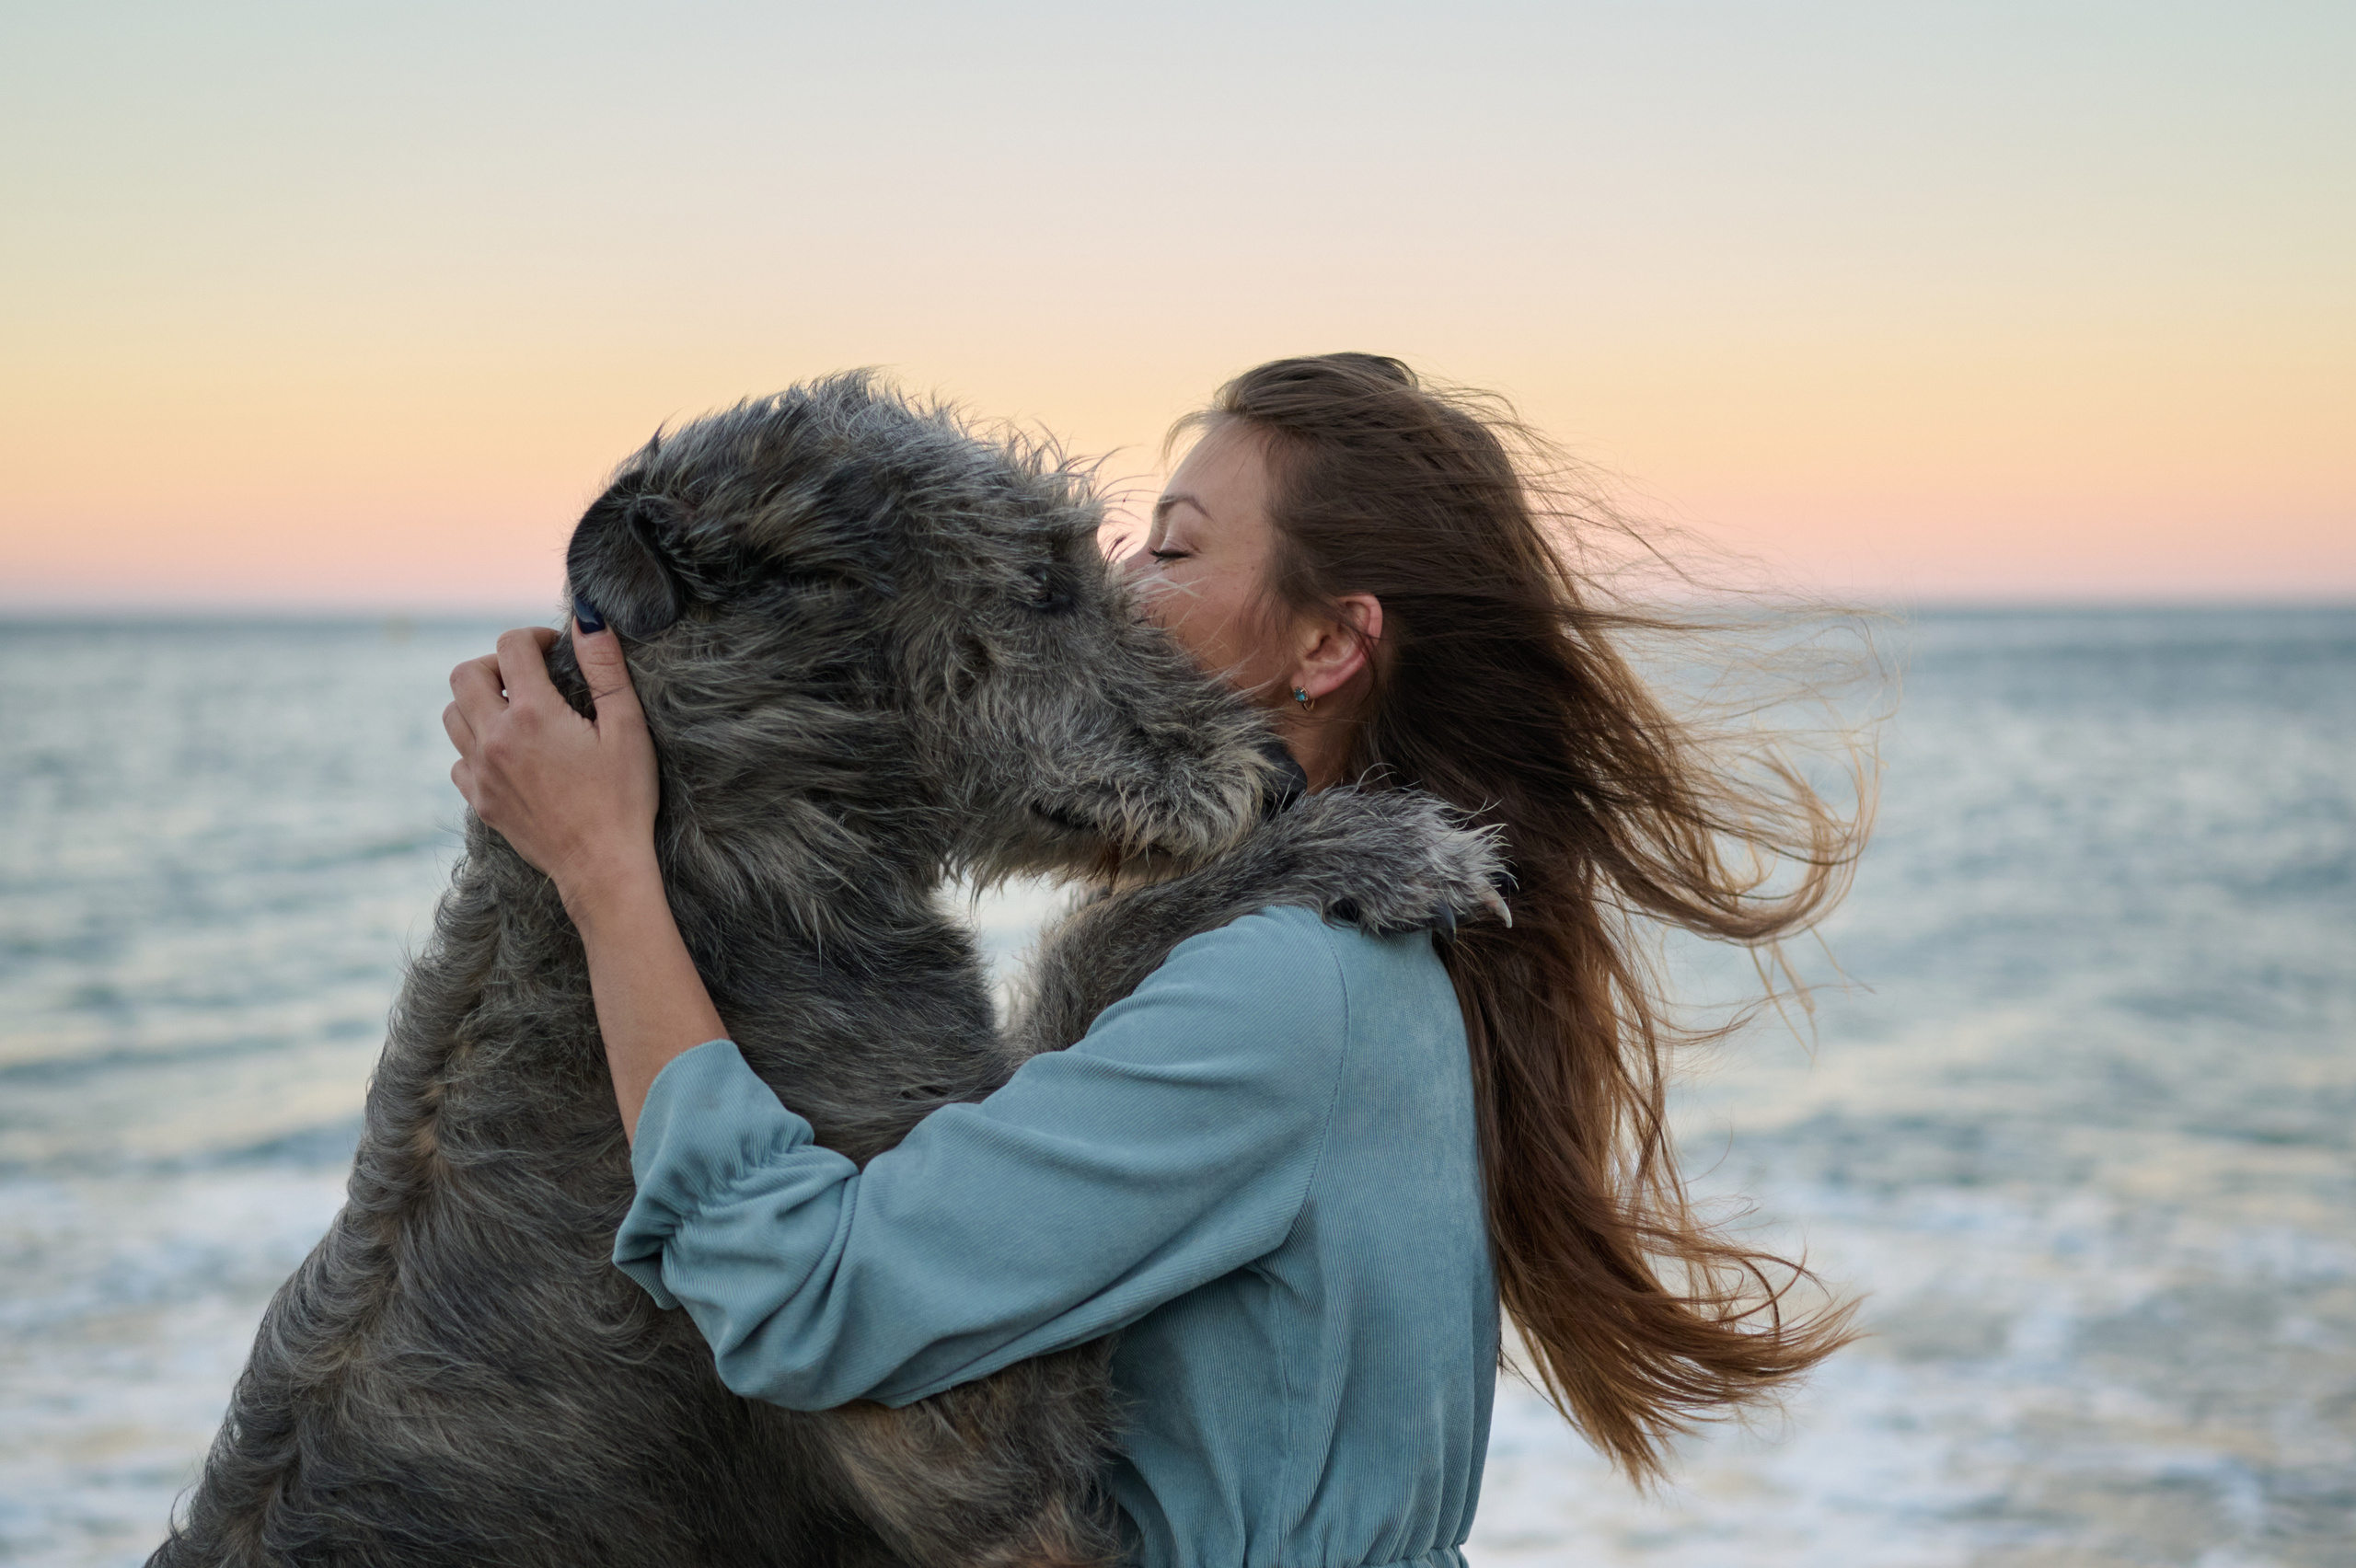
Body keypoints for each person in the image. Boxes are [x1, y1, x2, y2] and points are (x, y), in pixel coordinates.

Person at [444, 353, 1865, 1568]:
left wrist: (604, 870)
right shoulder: (1376, 946)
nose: (1119, 589)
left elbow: (810, 1302)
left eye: (1173, 551)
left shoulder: (1290, 988)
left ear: (1328, 645)